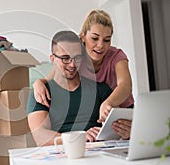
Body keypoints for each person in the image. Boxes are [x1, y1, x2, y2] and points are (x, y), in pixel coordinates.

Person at [33, 9, 134, 140]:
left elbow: (125, 86)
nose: (100, 45)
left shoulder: (116, 56)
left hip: (121, 108)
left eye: (106, 40)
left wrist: (108, 102)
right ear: (83, 37)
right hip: (99, 110)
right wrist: (38, 83)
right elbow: (52, 75)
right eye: (95, 38)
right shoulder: (76, 57)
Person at [27, 30, 112, 146]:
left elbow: (114, 128)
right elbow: (40, 137)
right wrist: (79, 137)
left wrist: (124, 130)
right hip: (64, 154)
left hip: (99, 150)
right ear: (52, 59)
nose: (72, 64)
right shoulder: (41, 93)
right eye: (65, 58)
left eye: (77, 58)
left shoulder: (101, 89)